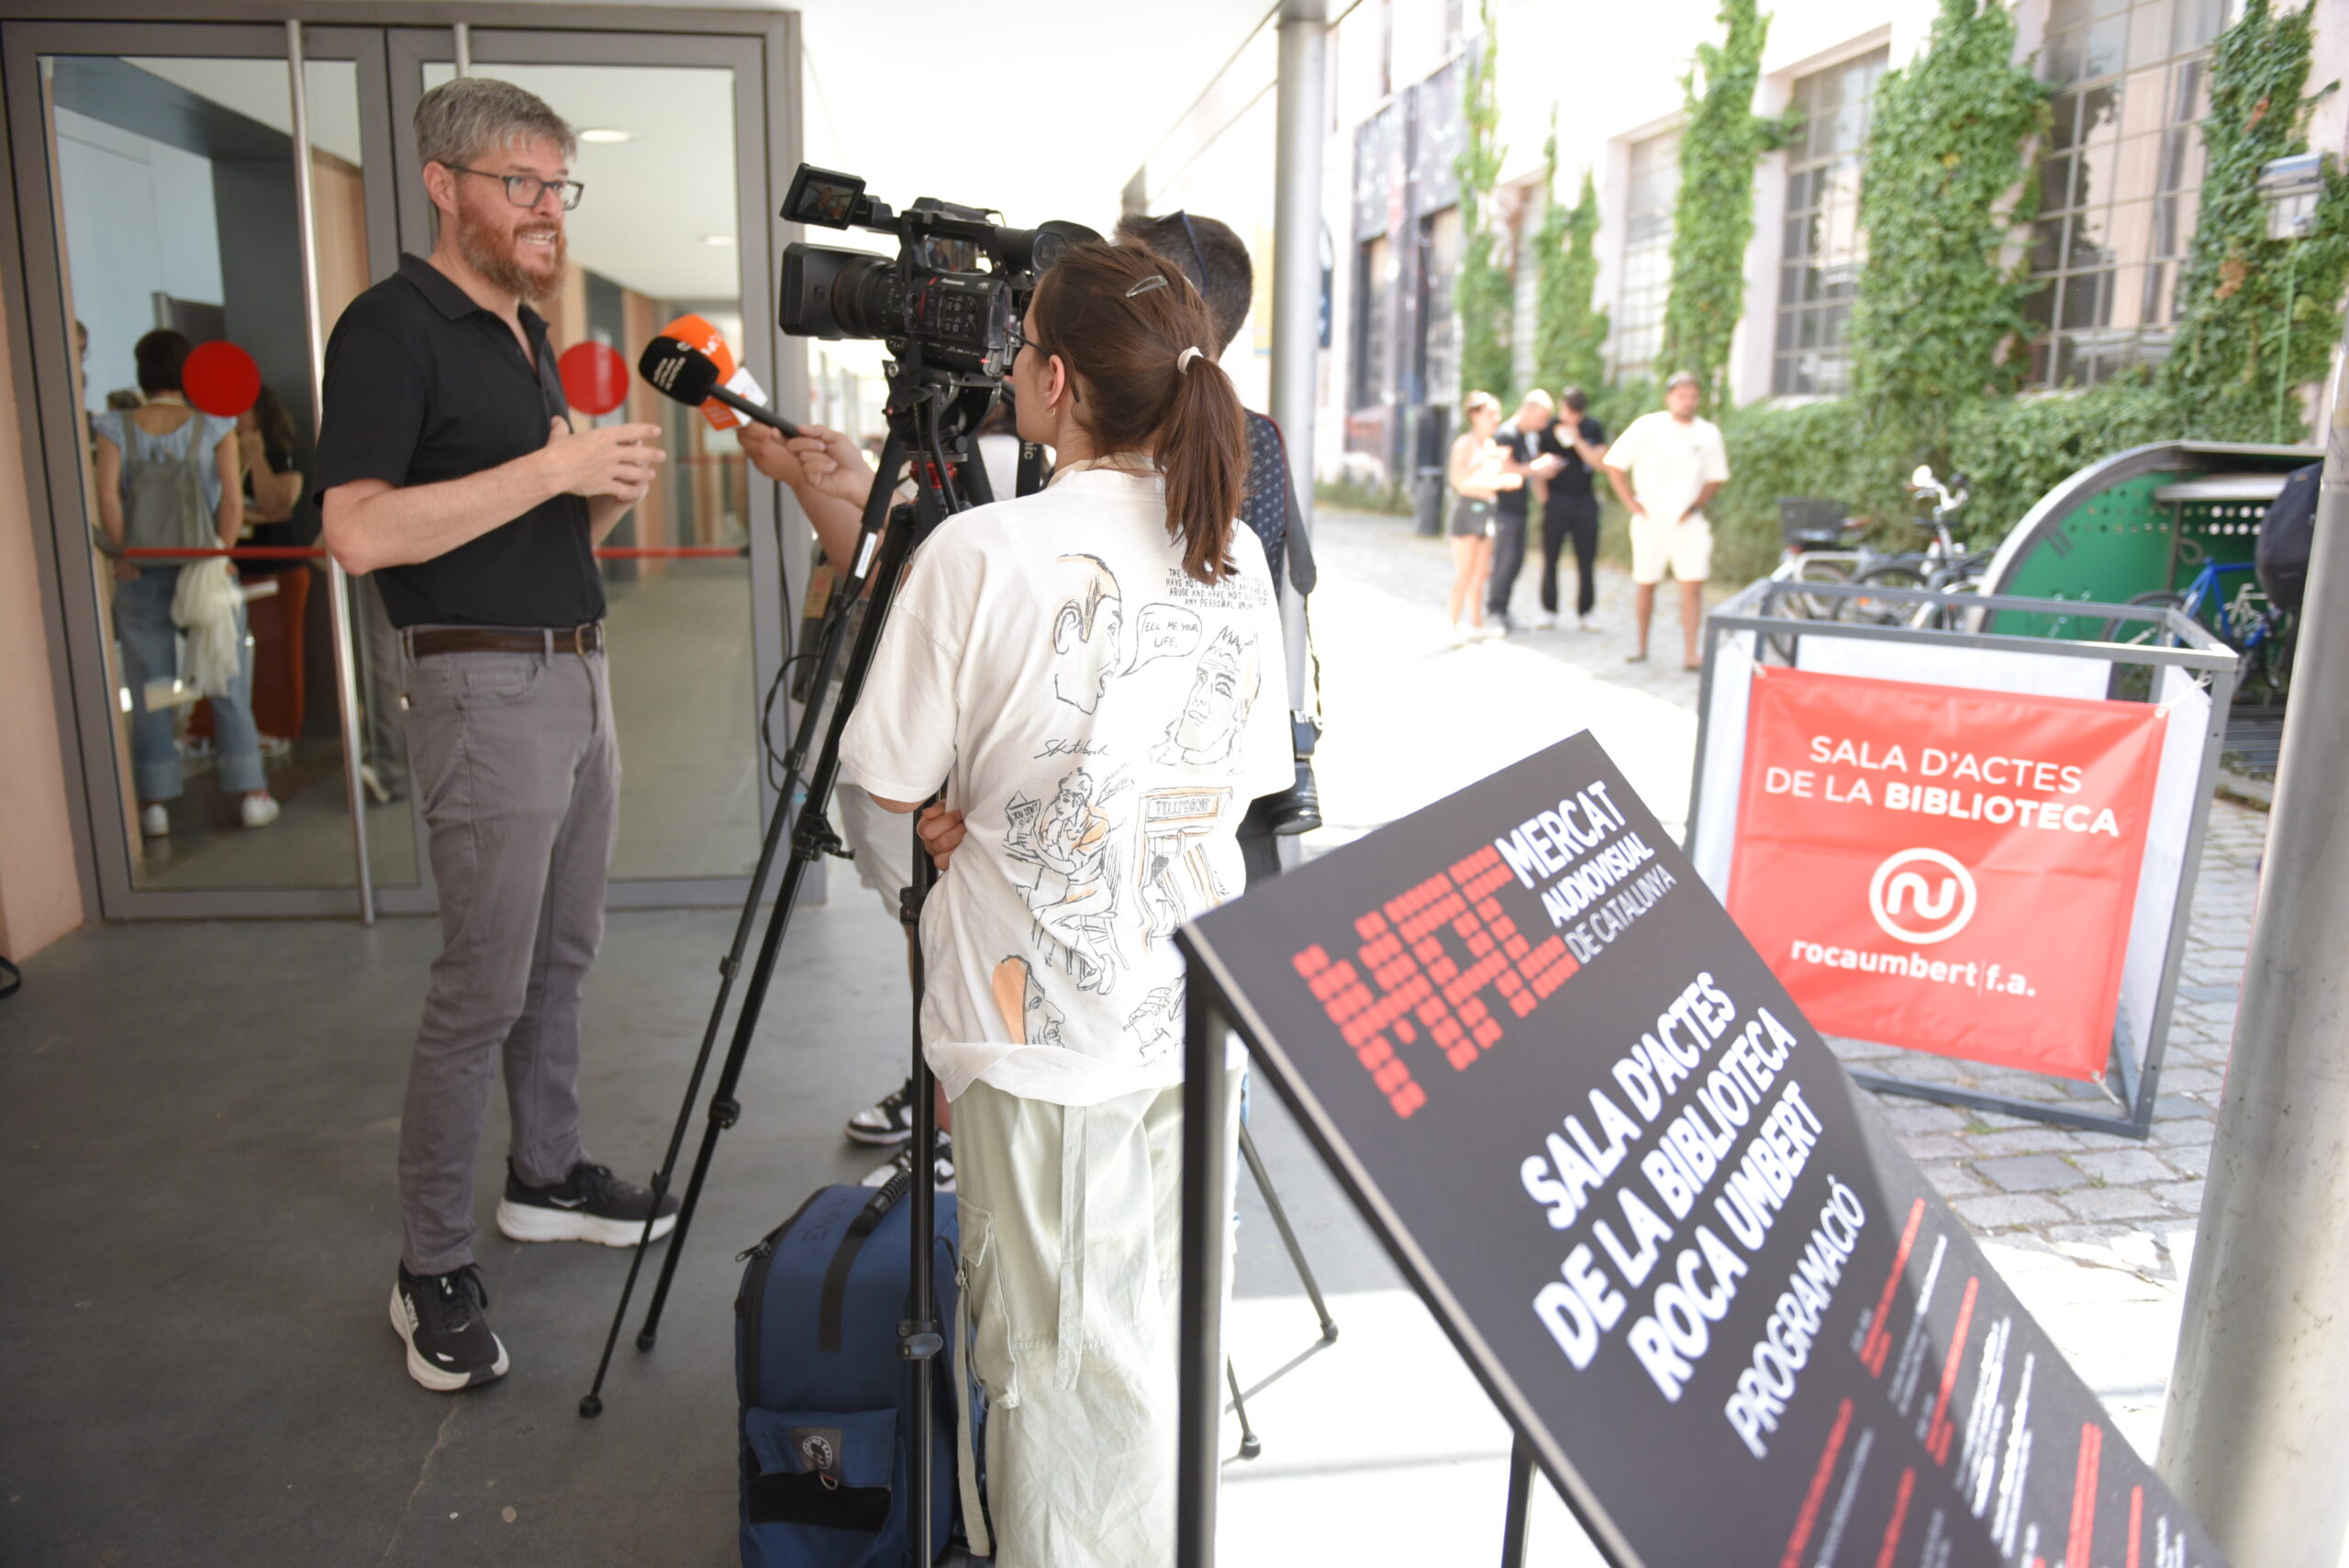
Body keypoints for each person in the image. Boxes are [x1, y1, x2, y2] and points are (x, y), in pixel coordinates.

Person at [785, 240, 1290, 1568]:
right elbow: (1242, 782)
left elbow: (878, 800)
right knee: (1159, 1330)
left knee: (1054, 1366)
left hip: (1038, 1034)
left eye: (1020, 352)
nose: (1008, 370)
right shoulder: (1232, 550)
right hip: (1189, 1016)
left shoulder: (981, 550)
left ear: (1055, 381)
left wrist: (932, 867)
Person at [314, 76, 674, 1394]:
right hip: (479, 690)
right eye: (520, 183)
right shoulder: (389, 328)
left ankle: (545, 1173)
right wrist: (553, 468)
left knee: (561, 955)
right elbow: (358, 531)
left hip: (574, 672)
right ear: (444, 185)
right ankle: (429, 1266)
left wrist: (601, 490)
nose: (546, 210)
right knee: (481, 984)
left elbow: (531, 528)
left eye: (556, 186)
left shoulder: (522, 334)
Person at [1112, 208, 1316, 884]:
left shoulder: (1112, 432)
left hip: (1141, 775)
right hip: (1229, 774)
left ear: (1173, 300)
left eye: (1122, 275)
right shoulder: (1255, 434)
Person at [90, 328, 280, 839]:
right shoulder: (214, 425)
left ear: (142, 372)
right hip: (204, 571)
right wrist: (220, 555)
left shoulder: (114, 427)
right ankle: (251, 794)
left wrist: (126, 555)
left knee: (151, 687)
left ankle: (154, 804)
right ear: (188, 372)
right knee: (225, 679)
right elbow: (232, 501)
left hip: (143, 572)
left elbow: (107, 499)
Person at [1602, 370, 1728, 670]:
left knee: (1692, 585)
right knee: (1646, 583)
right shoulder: (1648, 426)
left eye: (1693, 396)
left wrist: (1693, 506)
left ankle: (1691, 652)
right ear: (1669, 397)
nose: (1687, 402)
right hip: (1650, 519)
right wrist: (1631, 502)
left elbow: (1715, 478)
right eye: (1681, 396)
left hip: (1688, 521)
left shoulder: (1707, 433)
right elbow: (1614, 464)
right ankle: (1641, 645)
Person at [1445, 390, 1521, 641]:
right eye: (1491, 414)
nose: (1496, 419)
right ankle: (1453, 625)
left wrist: (1504, 481)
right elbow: (1458, 480)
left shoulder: (1490, 445)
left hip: (1488, 508)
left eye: (1497, 414)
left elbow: (1487, 480)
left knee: (1481, 574)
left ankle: (1477, 624)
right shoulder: (1465, 444)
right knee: (1464, 574)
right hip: (1468, 510)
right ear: (1475, 415)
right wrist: (1487, 459)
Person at [1484, 388, 1561, 634]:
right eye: (1542, 417)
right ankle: (1495, 611)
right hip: (1503, 510)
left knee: (1516, 562)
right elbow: (1505, 468)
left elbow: (1529, 472)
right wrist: (1536, 468)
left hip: (1520, 510)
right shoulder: (1506, 434)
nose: (1544, 424)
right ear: (1528, 410)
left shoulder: (1529, 437)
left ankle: (1505, 610)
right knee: (1503, 562)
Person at [1535, 386, 1609, 631]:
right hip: (1557, 499)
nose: (1570, 416)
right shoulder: (1547, 429)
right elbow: (1538, 468)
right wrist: (1545, 500)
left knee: (1586, 559)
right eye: (1567, 410)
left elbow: (1599, 462)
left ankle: (1586, 611)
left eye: (1576, 412)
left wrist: (1576, 438)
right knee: (1550, 557)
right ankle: (1548, 609)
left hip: (1584, 499)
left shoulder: (1592, 428)